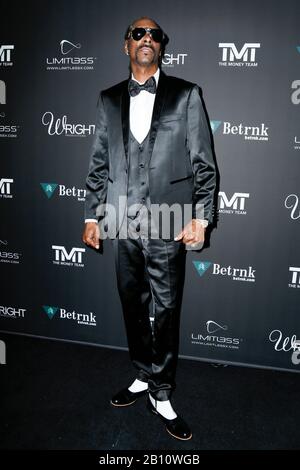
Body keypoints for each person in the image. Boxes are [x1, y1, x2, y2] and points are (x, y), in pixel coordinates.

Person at [82, 16, 217, 441]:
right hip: (120, 220)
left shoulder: (186, 94)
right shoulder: (107, 100)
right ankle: (143, 372)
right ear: (126, 45)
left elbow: (204, 165)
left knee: (167, 309)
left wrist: (201, 217)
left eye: (154, 34)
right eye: (138, 33)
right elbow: (99, 164)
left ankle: (162, 391)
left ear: (162, 46)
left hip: (170, 222)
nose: (146, 39)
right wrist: (91, 215)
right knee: (131, 303)